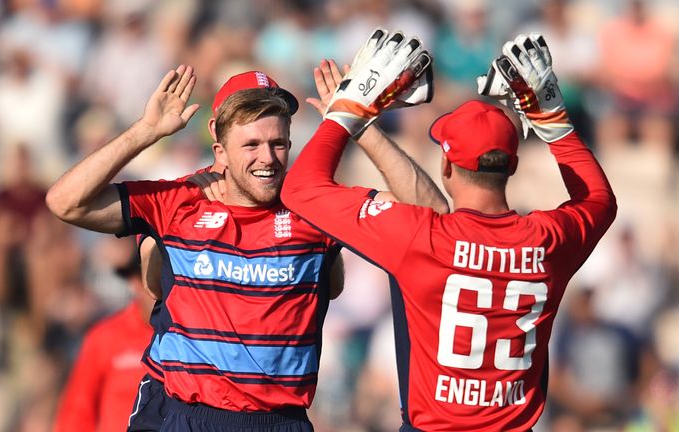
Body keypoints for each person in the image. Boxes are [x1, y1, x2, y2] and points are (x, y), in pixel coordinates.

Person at [46, 31, 446, 432]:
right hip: (181, 412)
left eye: (278, 143)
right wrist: (146, 131)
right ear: (219, 150)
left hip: (277, 421)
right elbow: (66, 202)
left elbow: (430, 211)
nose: (267, 159)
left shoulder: (315, 205)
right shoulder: (181, 197)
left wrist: (356, 122)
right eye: (251, 144)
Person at [281, 33, 617, 430]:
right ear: (511, 167)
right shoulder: (547, 240)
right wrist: (555, 122)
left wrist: (347, 112)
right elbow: (599, 200)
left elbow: (300, 187)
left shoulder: (420, 236)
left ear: (445, 167)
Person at [53, 237, 155, 432]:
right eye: (154, 279)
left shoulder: (190, 338)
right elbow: (76, 413)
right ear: (134, 282)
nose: (161, 290)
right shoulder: (105, 337)